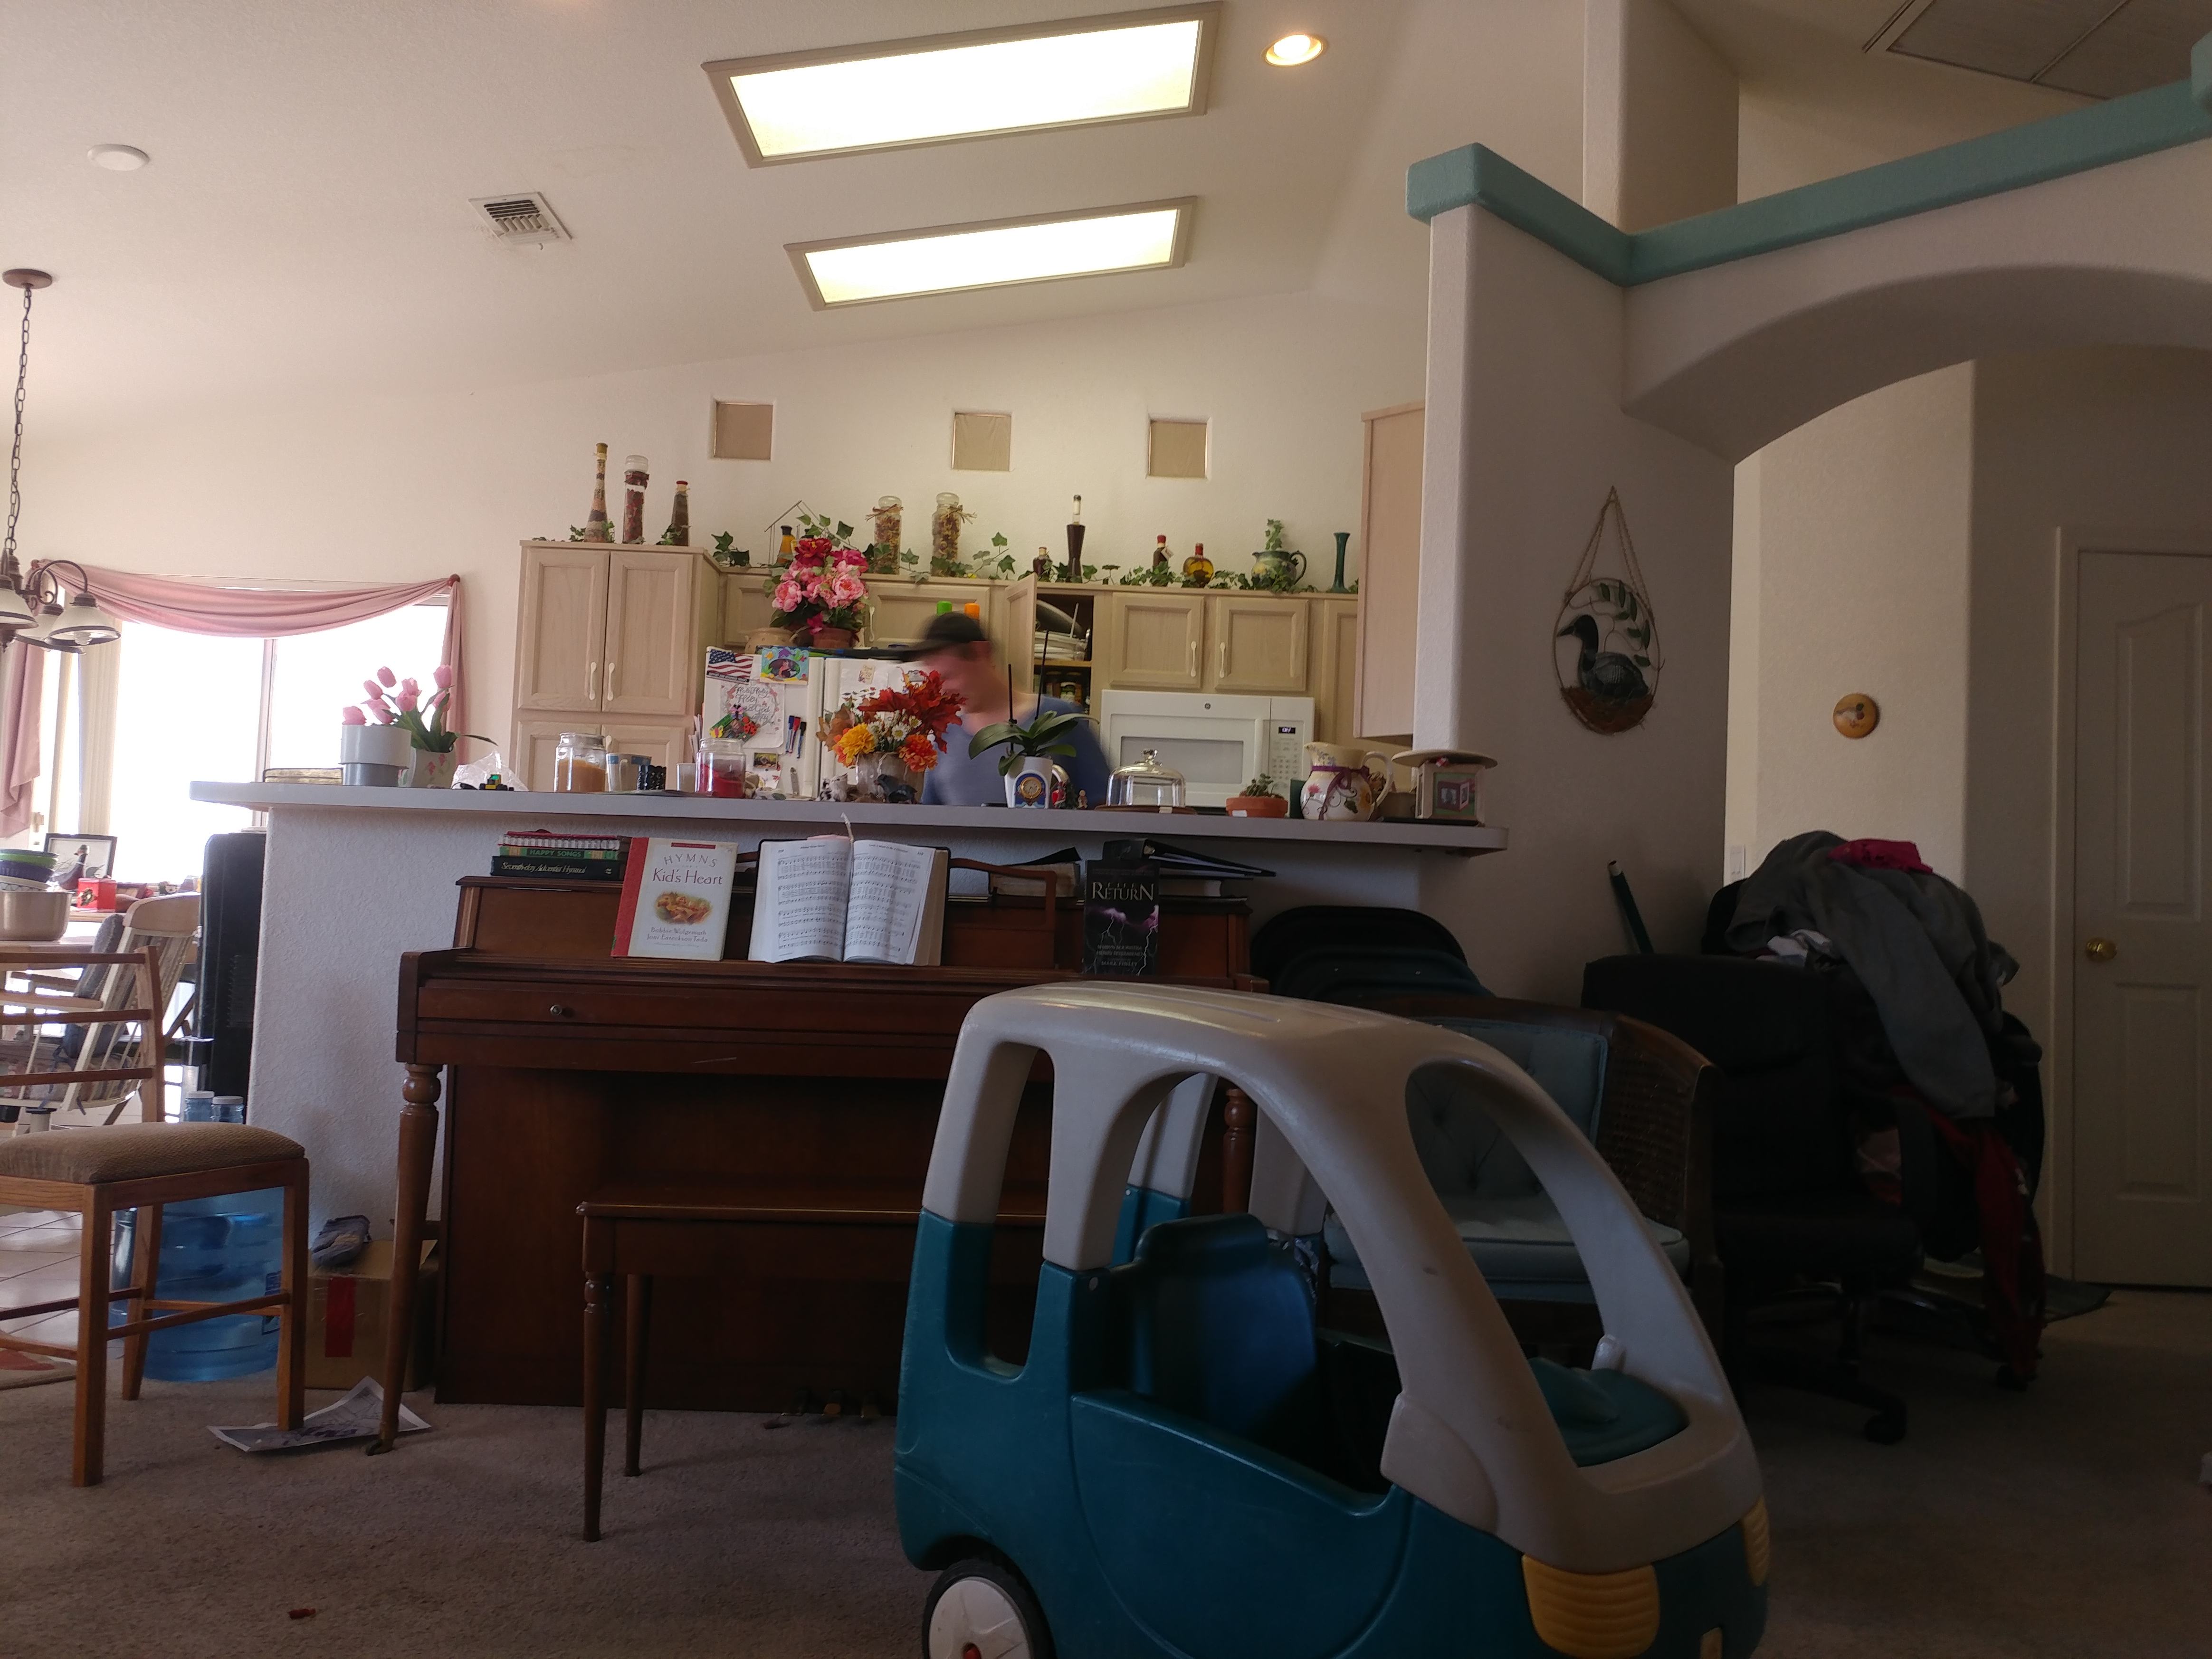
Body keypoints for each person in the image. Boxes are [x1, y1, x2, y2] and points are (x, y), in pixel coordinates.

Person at [906, 612, 1110, 807]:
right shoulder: (945, 735)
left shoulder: (1059, 719)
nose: (942, 690)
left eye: (948, 677)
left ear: (982, 653)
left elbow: (1106, 810)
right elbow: (931, 819)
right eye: (935, 681)